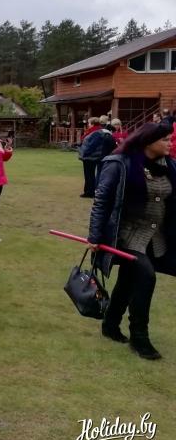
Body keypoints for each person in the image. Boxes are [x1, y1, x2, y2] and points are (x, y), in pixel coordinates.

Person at [87, 122, 176, 360]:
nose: (170, 143)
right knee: (146, 277)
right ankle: (139, 337)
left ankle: (110, 325)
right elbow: (102, 201)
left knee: (128, 279)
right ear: (148, 142)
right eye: (165, 139)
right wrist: (94, 236)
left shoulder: (169, 166)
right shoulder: (120, 164)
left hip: (156, 236)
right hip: (127, 234)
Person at [79, 117, 116, 198]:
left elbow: (91, 145)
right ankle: (96, 190)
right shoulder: (103, 131)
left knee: (89, 175)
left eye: (89, 123)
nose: (88, 125)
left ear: (92, 124)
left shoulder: (94, 132)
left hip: (90, 156)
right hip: (101, 155)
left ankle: (89, 192)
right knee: (99, 174)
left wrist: (84, 152)